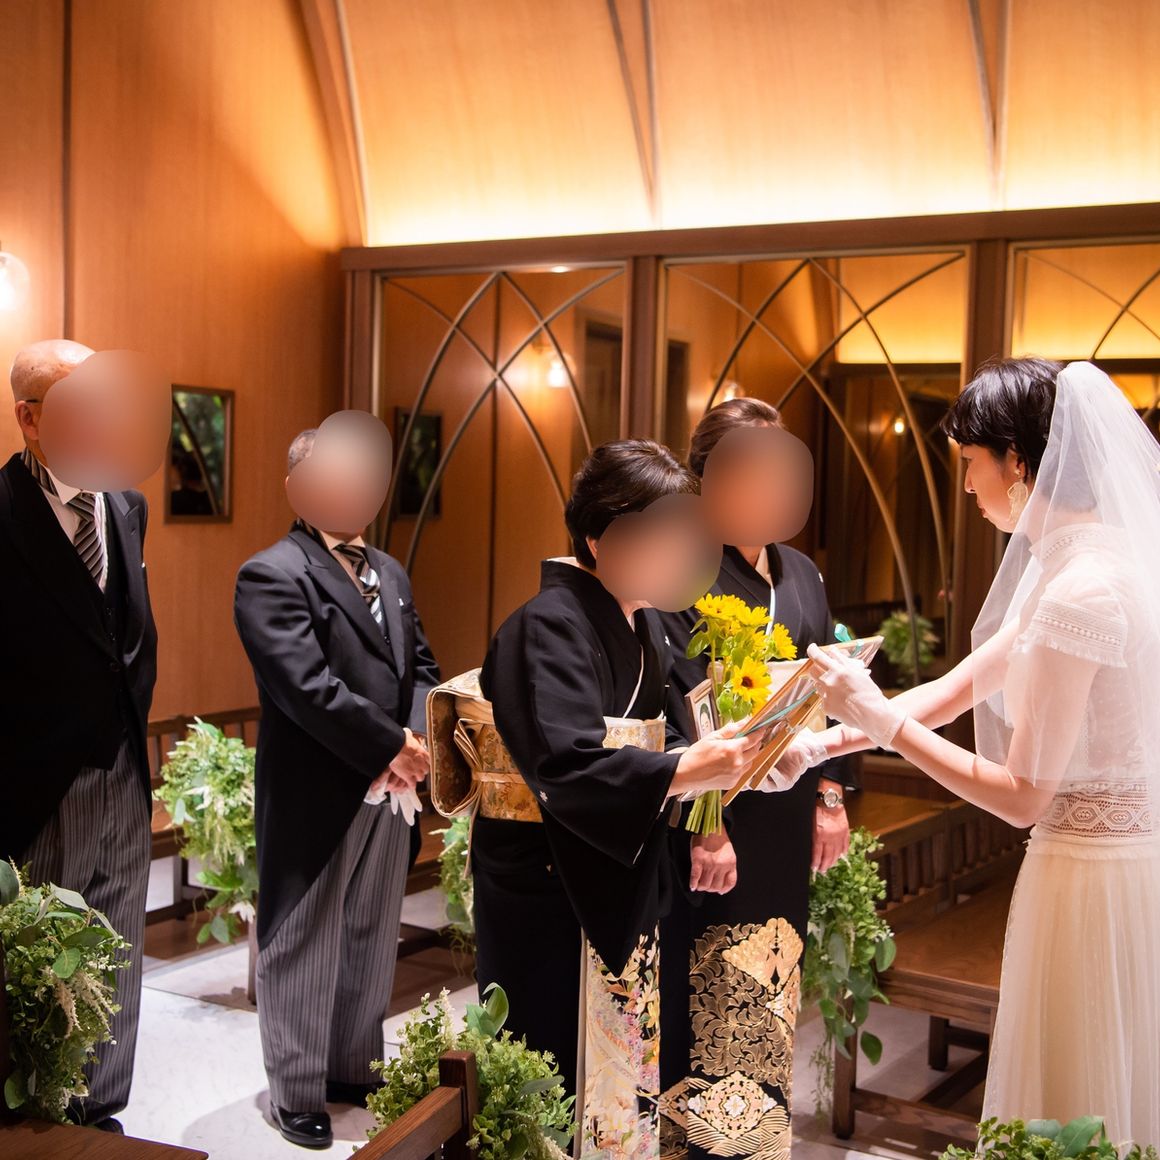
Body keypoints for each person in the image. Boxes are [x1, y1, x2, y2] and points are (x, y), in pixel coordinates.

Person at [791, 359, 1160, 1144]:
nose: (964, 485)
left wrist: (879, 720)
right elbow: (955, 688)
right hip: (1089, 866)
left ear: (1017, 462)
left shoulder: (1082, 590)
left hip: (1092, 880)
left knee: (1079, 1097)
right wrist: (822, 743)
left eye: (969, 462)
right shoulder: (1074, 566)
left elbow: (1023, 794)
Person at [474, 439, 765, 1158]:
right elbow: (566, 764)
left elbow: (674, 732)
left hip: (617, 867)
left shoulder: (642, 622)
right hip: (549, 882)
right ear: (600, 537)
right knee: (553, 1069)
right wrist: (684, 770)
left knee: (619, 1076)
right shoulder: (546, 625)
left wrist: (709, 772)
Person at [655, 398, 855, 1160]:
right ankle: (700, 1148)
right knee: (708, 985)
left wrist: (831, 796)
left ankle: (751, 1144)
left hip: (787, 813)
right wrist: (707, 825)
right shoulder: (684, 568)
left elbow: (829, 691)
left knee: (768, 979)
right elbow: (677, 706)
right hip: (716, 818)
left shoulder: (800, 572)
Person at [233, 427, 441, 1150]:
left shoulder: (391, 570)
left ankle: (353, 1069)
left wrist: (415, 737)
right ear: (298, 486)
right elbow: (305, 687)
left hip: (391, 788)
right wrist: (388, 747)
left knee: (369, 933)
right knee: (305, 939)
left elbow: (420, 666)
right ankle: (296, 1090)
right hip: (317, 788)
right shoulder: (271, 573)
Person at [0, 339, 159, 1132]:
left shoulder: (125, 506)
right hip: (37, 779)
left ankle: (103, 1111)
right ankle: (41, 1123)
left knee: (117, 942)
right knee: (43, 960)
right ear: (31, 420)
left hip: (122, 766)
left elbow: (127, 636)